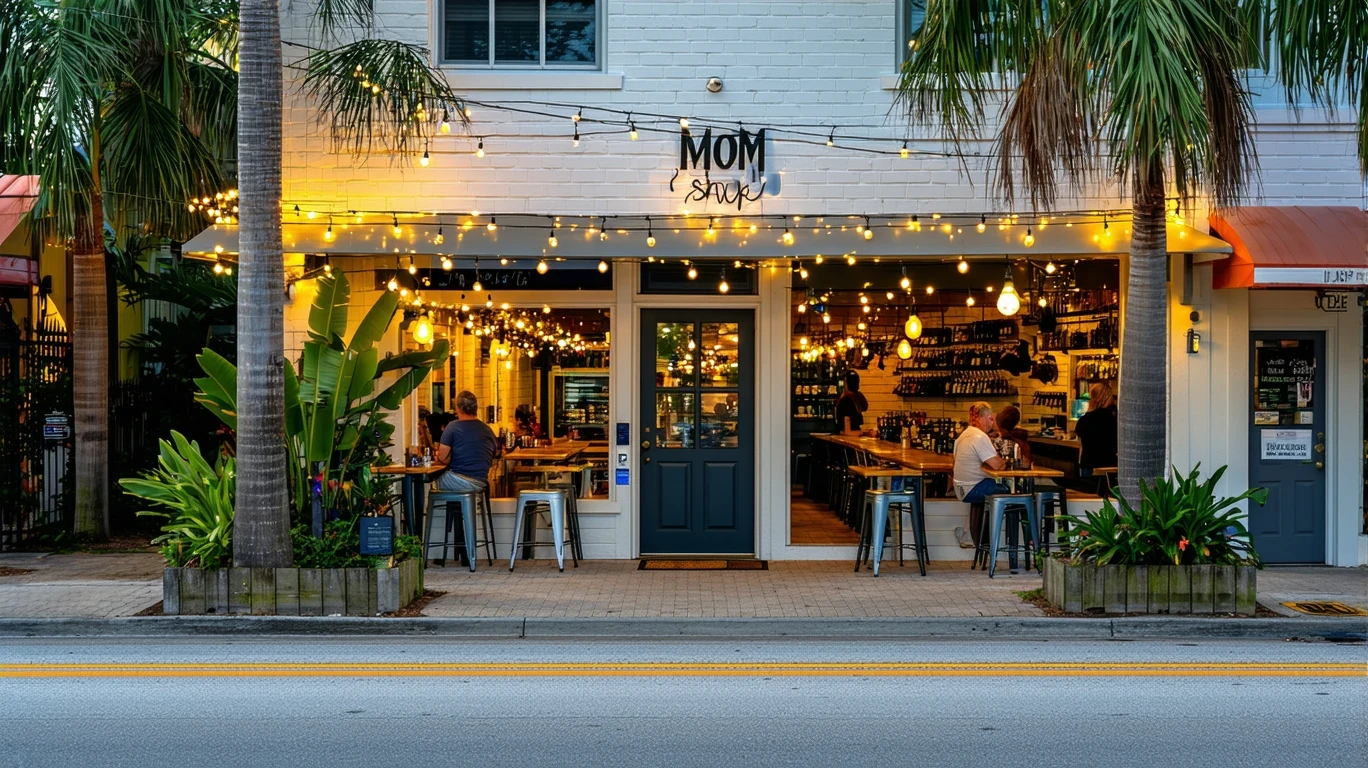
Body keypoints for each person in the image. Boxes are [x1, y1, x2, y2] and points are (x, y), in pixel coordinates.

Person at [951, 402, 1008, 548]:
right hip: (974, 488)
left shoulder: (964, 435)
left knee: (1005, 490)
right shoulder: (980, 437)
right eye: (990, 419)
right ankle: (1016, 543)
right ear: (982, 418)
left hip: (961, 489)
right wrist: (1007, 461)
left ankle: (981, 542)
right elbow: (997, 465)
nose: (992, 422)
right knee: (1012, 492)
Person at [435, 391, 498, 493]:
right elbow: (492, 454)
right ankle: (463, 507)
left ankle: (434, 509)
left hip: (459, 480)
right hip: (481, 482)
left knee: (430, 483)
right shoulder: (487, 430)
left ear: (458, 408)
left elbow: (443, 458)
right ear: (476, 408)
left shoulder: (452, 427)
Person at [1069, 382, 1118, 495]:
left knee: (1088, 494)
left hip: (1089, 464)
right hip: (1108, 464)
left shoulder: (1085, 419)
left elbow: (1079, 439)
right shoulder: (1114, 418)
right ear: (1107, 397)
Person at [835, 371, 869, 436]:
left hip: (847, 440)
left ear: (846, 384)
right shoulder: (858, 397)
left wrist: (864, 433)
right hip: (852, 437)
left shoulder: (846, 401)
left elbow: (847, 431)